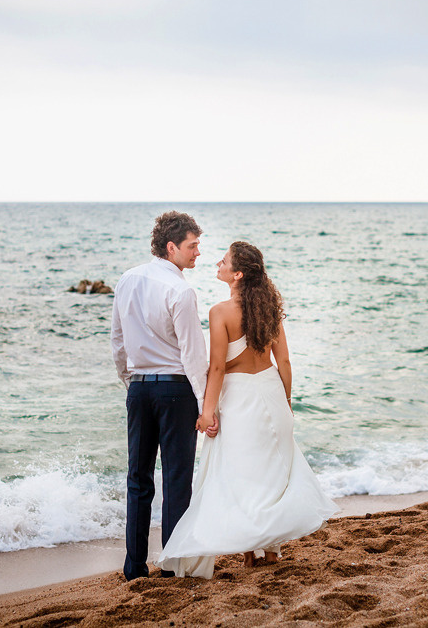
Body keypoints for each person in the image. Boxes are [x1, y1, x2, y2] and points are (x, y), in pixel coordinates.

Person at [157, 241, 338, 578]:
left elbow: (217, 369)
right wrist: (286, 401)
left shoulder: (220, 312)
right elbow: (283, 361)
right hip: (270, 391)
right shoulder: (269, 309)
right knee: (270, 476)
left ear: (237, 274)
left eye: (224, 261)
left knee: (242, 476)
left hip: (240, 398)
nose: (218, 263)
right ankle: (268, 553)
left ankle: (251, 555)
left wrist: (207, 412)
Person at [111, 211, 217, 581]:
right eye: (192, 246)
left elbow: (118, 342)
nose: (198, 253)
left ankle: (134, 566)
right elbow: (192, 354)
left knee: (138, 479)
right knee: (175, 479)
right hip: (176, 390)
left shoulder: (127, 280)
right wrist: (206, 404)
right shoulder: (181, 290)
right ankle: (172, 565)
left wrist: (131, 382)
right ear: (171, 247)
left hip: (139, 389)